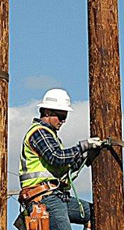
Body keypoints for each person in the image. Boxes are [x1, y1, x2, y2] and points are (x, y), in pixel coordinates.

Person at [15, 88, 102, 230]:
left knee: (97, 213)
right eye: (61, 116)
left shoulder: (51, 136)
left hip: (58, 197)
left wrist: (84, 156)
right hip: (45, 198)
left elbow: (65, 166)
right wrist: (82, 147)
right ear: (47, 112)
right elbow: (57, 158)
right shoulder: (39, 133)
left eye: (65, 116)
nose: (63, 121)